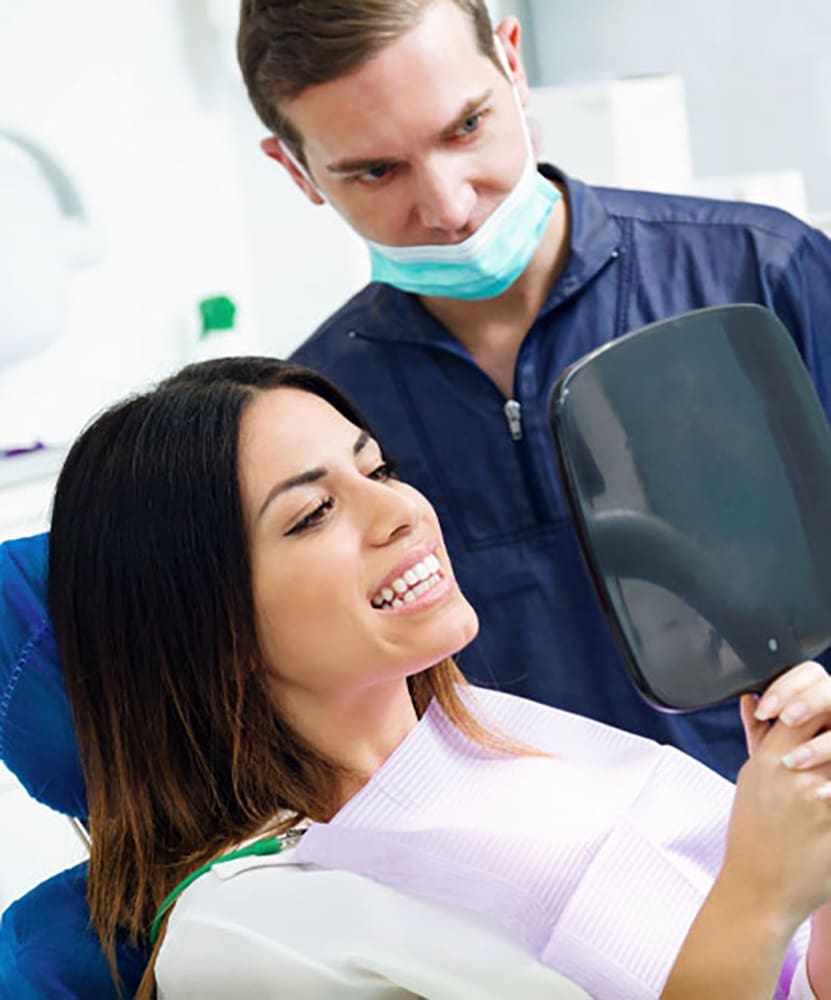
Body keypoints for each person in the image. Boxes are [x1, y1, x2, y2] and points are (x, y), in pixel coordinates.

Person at [48, 355, 831, 998]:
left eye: (378, 469)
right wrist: (758, 899)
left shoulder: (495, 735)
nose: (401, 513)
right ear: (204, 623)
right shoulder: (245, 935)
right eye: (313, 514)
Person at [236, 0, 831, 780]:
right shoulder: (320, 415)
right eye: (375, 170)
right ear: (294, 169)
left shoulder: (760, 275)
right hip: (539, 888)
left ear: (511, 63)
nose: (448, 207)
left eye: (465, 128)